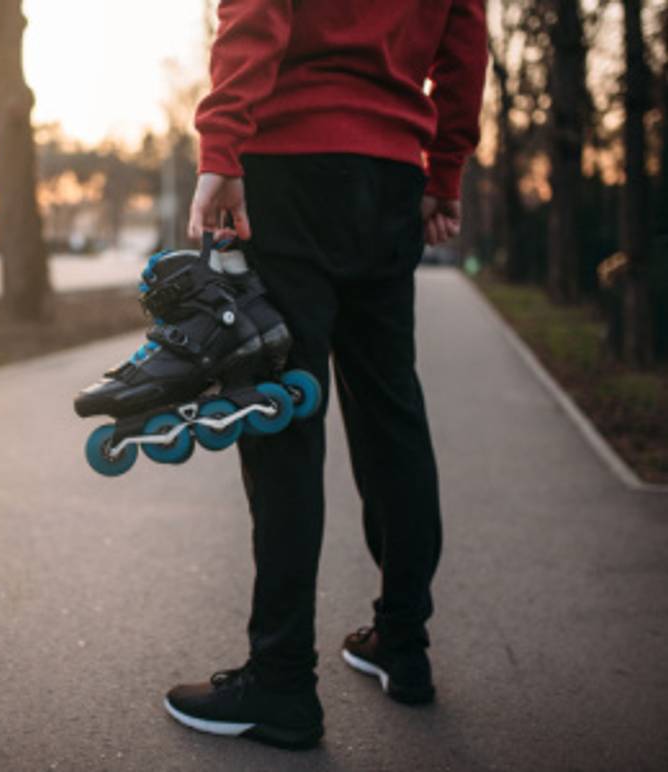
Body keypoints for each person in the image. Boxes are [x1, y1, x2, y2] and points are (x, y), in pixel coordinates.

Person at [164, 0, 488, 750]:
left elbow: (258, 10)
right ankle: (402, 645)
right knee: (390, 409)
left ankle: (280, 681)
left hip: (291, 164)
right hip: (391, 173)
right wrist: (446, 169)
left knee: (281, 414)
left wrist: (221, 147)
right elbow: (464, 42)